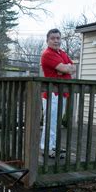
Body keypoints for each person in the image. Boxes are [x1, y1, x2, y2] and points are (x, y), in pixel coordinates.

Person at [40, 28, 76, 158]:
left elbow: (73, 68)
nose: (56, 40)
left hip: (62, 94)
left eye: (58, 38)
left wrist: (66, 69)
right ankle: (46, 148)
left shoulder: (62, 53)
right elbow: (64, 68)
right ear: (47, 40)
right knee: (50, 121)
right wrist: (64, 69)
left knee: (56, 122)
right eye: (53, 38)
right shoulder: (47, 54)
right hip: (52, 95)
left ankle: (53, 146)